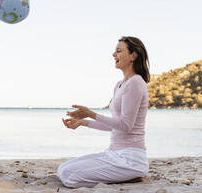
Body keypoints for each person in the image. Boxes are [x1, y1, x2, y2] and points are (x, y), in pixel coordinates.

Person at [58, 36, 150, 188]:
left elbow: (126, 126)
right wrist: (82, 122)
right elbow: (115, 126)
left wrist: (91, 113)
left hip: (131, 158)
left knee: (70, 177)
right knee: (63, 169)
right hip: (113, 153)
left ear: (133, 56)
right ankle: (127, 175)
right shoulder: (120, 84)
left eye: (119, 51)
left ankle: (133, 174)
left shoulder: (136, 83)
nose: (114, 55)